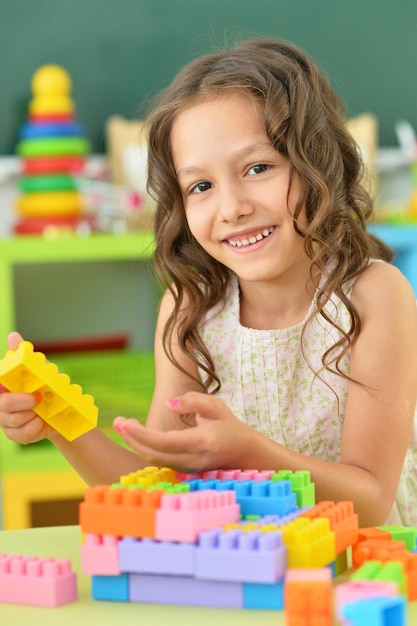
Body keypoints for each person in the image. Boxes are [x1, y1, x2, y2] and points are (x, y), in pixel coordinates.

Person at [1, 39, 416, 528]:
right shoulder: (191, 308)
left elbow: (369, 501)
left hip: (365, 573)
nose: (231, 207)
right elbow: (153, 490)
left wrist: (245, 451)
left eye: (258, 168)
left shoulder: (373, 295)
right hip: (252, 568)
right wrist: (58, 424)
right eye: (201, 186)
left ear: (317, 165)